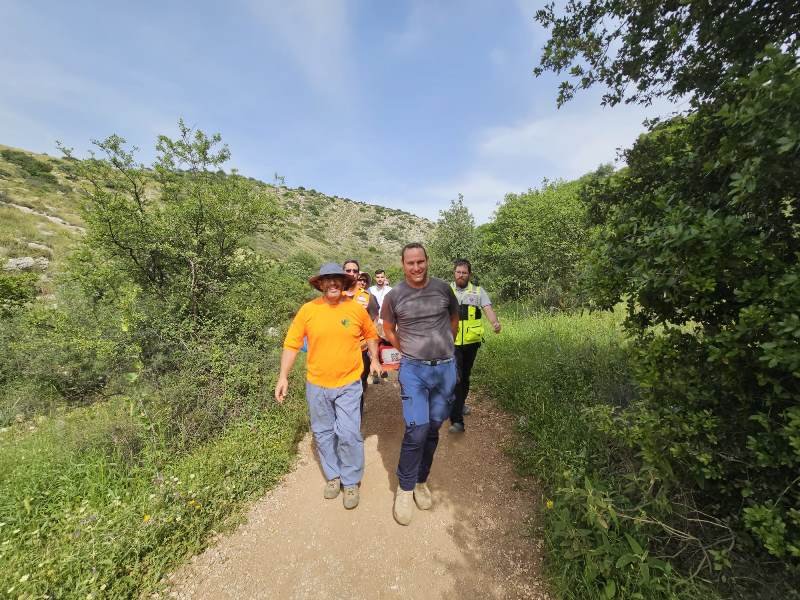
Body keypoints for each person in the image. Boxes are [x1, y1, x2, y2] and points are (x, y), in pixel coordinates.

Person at [275, 263, 382, 510]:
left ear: (344, 283)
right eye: (328, 280)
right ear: (321, 284)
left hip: (348, 382)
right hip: (317, 384)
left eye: (337, 280)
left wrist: (375, 359)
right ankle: (334, 476)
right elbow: (292, 343)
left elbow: (370, 334)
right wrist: (283, 376)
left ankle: (351, 480)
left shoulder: (355, 309)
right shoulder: (308, 310)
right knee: (323, 433)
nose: (333, 284)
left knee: (348, 432)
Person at [381, 243, 459, 525]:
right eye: (410, 262)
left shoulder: (442, 289)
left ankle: (421, 481)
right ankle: (405, 487)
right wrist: (410, 350)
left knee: (435, 426)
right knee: (417, 428)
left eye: (420, 262)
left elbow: (453, 320)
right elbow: (388, 330)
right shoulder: (394, 296)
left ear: (427, 261)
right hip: (413, 370)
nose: (416, 267)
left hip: (445, 369)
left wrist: (442, 346)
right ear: (402, 264)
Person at [448, 259, 501, 433]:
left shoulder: (478, 292)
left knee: (466, 376)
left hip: (472, 342)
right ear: (454, 273)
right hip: (453, 342)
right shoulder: (447, 290)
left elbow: (488, 309)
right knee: (456, 377)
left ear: (469, 274)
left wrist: (495, 323)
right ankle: (456, 420)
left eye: (464, 272)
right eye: (458, 272)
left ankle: (460, 404)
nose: (460, 275)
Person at [343, 260, 379, 415]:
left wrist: (374, 354)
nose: (351, 274)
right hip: (338, 352)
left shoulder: (367, 297)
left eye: (354, 271)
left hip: (360, 351)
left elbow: (374, 321)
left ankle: (354, 426)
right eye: (348, 270)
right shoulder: (335, 294)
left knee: (358, 388)